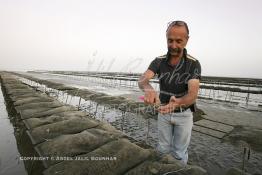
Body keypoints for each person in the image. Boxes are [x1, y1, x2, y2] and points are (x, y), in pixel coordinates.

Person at [138, 20, 201, 164]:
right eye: (170, 40)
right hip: (163, 113)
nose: (173, 45)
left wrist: (178, 102)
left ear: (187, 40)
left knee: (179, 152)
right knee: (162, 148)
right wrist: (148, 88)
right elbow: (142, 79)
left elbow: (192, 94)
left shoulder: (193, 64)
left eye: (179, 41)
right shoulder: (159, 61)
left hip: (184, 114)